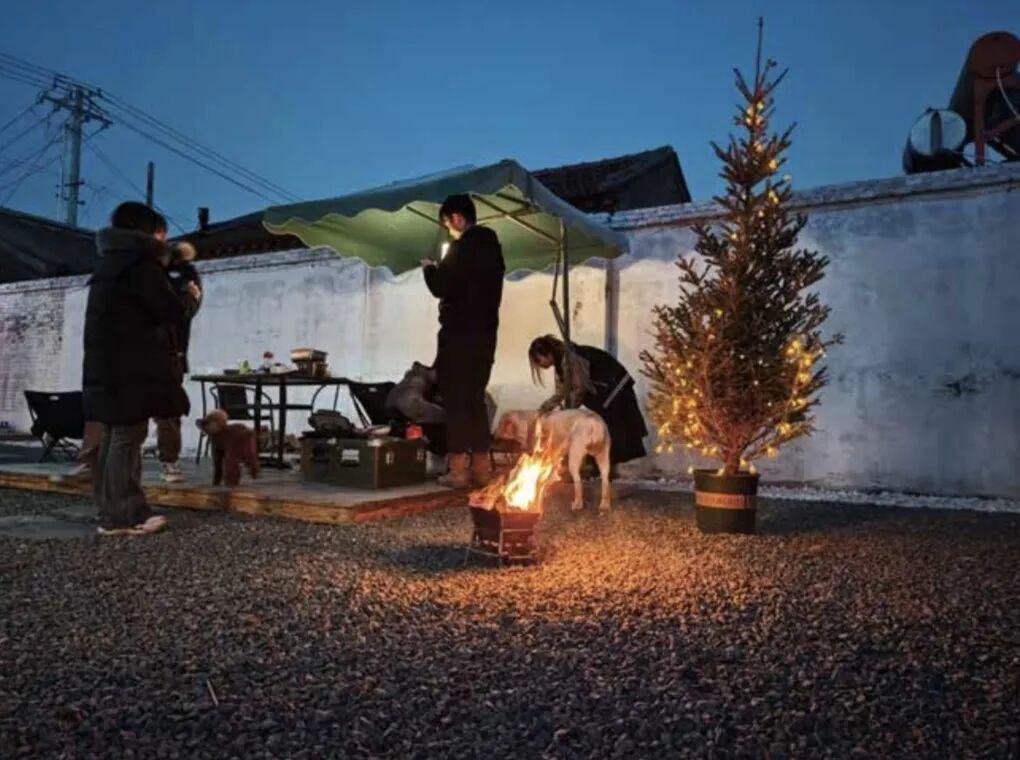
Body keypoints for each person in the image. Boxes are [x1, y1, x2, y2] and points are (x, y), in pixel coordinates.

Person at [83, 202, 189, 535]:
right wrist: (188, 296)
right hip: (132, 366)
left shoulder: (110, 263)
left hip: (106, 364)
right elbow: (168, 310)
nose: (164, 240)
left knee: (114, 435)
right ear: (148, 232)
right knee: (128, 436)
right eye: (161, 234)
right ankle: (125, 515)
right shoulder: (140, 266)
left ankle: (110, 509)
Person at [422, 195, 505, 487]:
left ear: (457, 218)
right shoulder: (494, 251)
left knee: (456, 403)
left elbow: (440, 286)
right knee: (475, 401)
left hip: (458, 338)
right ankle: (481, 469)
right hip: (485, 339)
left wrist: (429, 268)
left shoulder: (461, 248)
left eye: (448, 224)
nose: (449, 230)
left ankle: (458, 470)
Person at [528, 334, 648, 469]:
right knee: (610, 430)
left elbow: (580, 388)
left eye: (539, 360)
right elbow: (563, 391)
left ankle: (623, 467)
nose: (540, 365)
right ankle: (609, 467)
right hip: (606, 393)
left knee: (620, 431)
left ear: (548, 353)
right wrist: (545, 408)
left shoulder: (572, 357)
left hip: (614, 388)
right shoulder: (561, 362)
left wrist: (568, 412)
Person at [153, 241, 202, 483]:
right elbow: (185, 309)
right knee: (168, 411)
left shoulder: (178, 275)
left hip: (165, 353)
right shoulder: (182, 278)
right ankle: (169, 461)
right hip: (167, 353)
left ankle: (168, 460)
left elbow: (185, 310)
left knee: (167, 411)